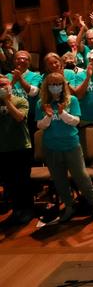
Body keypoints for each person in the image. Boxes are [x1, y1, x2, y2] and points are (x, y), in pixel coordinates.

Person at [35, 72, 93, 222]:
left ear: (63, 85)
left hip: (71, 145)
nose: (55, 87)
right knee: (59, 180)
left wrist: (62, 114)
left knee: (81, 177)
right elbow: (40, 126)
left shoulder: (71, 100)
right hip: (51, 147)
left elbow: (75, 121)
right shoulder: (41, 103)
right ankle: (69, 206)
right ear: (47, 86)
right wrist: (48, 116)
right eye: (52, 84)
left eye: (58, 84)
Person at [0, 75, 33, 225]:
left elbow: (19, 118)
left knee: (22, 181)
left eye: (4, 85)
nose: (2, 88)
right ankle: (16, 210)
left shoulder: (20, 101)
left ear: (10, 86)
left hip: (21, 147)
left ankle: (27, 210)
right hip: (3, 149)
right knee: (9, 183)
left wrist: (6, 100)